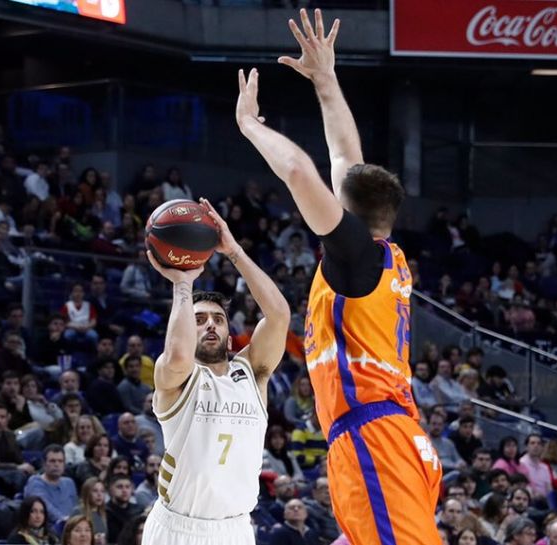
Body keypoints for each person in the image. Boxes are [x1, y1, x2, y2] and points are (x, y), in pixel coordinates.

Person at [245, 11, 441, 543]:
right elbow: (344, 159)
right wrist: (326, 82)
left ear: (346, 212)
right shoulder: (382, 256)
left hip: (375, 438)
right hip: (385, 434)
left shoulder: (355, 260)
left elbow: (299, 171)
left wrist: (250, 125)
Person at [139, 194, 289, 543]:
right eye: (199, 320)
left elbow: (279, 315)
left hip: (235, 529)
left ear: (230, 335)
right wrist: (182, 284)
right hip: (178, 529)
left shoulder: (252, 372)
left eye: (218, 320)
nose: (210, 325)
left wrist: (233, 251)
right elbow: (179, 354)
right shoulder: (177, 377)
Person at [23, 445, 78, 524]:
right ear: (44, 464)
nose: (57, 464)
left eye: (60, 461)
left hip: (72, 526)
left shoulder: (69, 483)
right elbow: (45, 507)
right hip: (48, 527)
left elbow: (76, 508)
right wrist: (64, 521)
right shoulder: (35, 482)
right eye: (52, 461)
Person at [106, 475, 142, 544]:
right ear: (110, 490)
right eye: (119, 487)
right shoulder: (105, 512)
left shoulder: (138, 511)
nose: (124, 490)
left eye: (127, 487)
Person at [70, 477, 108, 541]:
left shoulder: (104, 513)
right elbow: (70, 537)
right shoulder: (78, 512)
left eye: (102, 491)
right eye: (95, 491)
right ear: (87, 493)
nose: (99, 494)